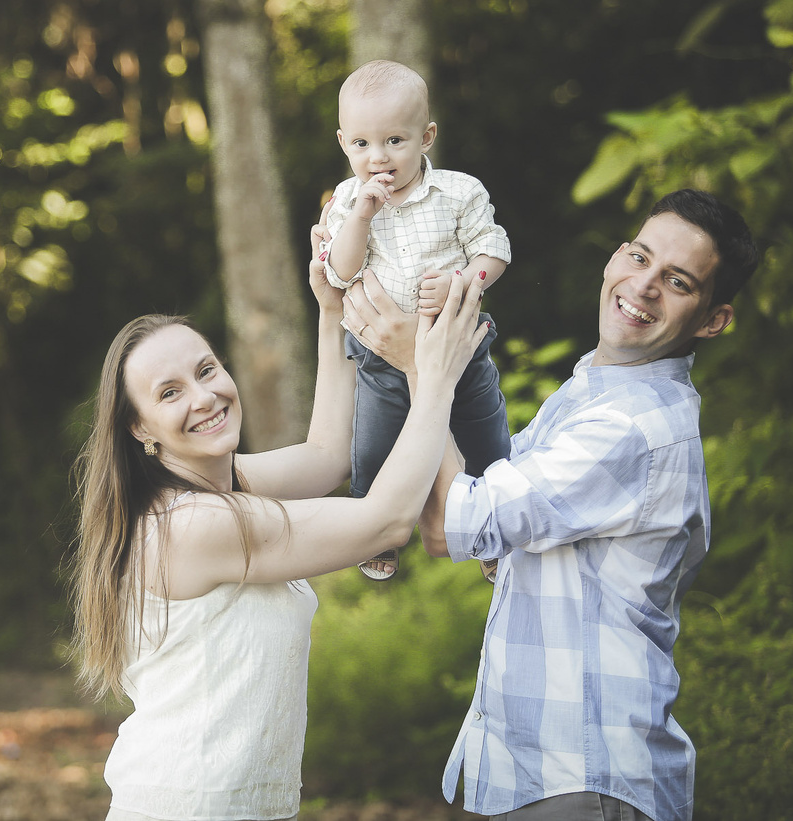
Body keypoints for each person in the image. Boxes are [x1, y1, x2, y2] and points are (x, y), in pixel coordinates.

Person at [347, 189, 759, 821]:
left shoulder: (633, 426)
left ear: (713, 319)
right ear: (615, 258)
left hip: (585, 775)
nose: (644, 285)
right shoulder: (591, 392)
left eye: (677, 281)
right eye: (640, 257)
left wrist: (418, 366)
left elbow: (450, 524)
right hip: (550, 771)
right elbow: (471, 505)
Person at [70, 225, 491, 821]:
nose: (203, 397)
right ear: (139, 428)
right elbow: (386, 523)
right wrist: (432, 377)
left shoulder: (221, 484)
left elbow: (327, 455)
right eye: (169, 393)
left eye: (206, 370)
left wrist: (332, 312)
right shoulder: (190, 525)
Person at [319, 59, 513, 580]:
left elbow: (494, 248)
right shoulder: (346, 201)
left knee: (485, 435)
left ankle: (496, 535)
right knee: (373, 443)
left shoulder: (459, 192)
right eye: (362, 144)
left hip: (456, 345)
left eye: (394, 141)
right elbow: (340, 271)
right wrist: (361, 216)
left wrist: (465, 280)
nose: (378, 157)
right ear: (343, 143)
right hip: (382, 354)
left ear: (426, 137)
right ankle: (376, 534)